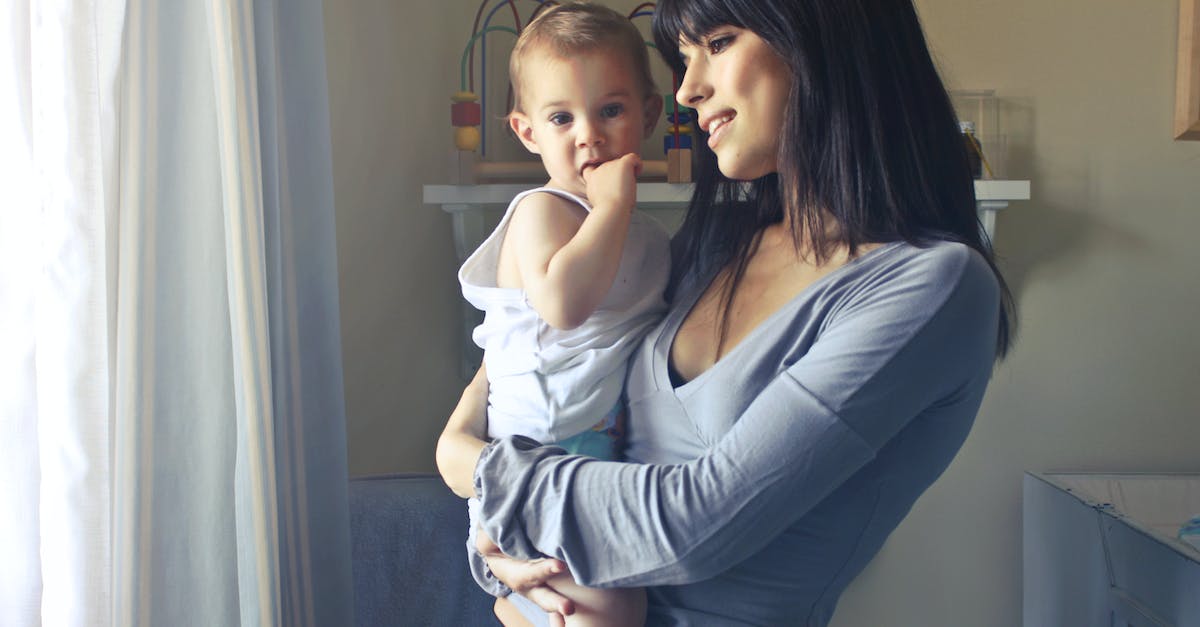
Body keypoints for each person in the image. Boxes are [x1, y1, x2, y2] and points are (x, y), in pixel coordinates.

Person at [439, 0, 1016, 625]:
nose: (687, 90)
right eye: (682, 59)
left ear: (820, 36)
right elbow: (538, 345)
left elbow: (696, 523)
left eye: (716, 43)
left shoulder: (932, 287)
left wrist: (480, 470)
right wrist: (461, 450)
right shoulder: (712, 246)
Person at [437, 3, 668, 625]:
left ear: (649, 116)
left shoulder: (645, 237)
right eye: (561, 117)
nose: (587, 134)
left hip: (596, 448)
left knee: (619, 599)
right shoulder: (542, 211)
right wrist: (611, 208)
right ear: (527, 131)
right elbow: (565, 305)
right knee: (608, 608)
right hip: (533, 450)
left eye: (611, 110)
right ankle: (504, 577)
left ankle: (508, 587)